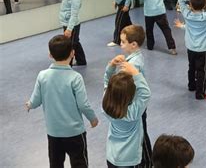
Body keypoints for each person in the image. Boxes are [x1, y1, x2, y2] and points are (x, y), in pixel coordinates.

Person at [26, 35, 98, 167]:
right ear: (72, 53)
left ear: (50, 55)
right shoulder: (75, 78)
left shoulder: (42, 76)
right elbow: (83, 104)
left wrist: (29, 104)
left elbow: (36, 100)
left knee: (55, 163)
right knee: (79, 163)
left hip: (53, 133)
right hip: (75, 133)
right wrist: (93, 118)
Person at [104, 24, 153, 167]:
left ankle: (147, 162)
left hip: (131, 106)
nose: (120, 44)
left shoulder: (134, 64)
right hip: (134, 107)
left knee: (142, 137)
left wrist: (111, 69)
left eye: (123, 42)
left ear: (134, 44)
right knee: (141, 134)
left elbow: (111, 85)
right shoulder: (133, 59)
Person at [103, 62, 151, 168]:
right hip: (130, 160)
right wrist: (135, 72)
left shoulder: (106, 106)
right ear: (131, 95)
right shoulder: (134, 112)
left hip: (112, 156)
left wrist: (110, 67)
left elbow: (107, 84)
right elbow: (145, 93)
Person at [178, 0, 206, 99]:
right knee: (202, 71)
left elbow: (181, 0)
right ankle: (200, 93)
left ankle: (191, 86)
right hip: (203, 48)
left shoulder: (187, 14)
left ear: (190, 4)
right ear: (205, 5)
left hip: (190, 47)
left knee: (191, 67)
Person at [53, 0, 87, 66]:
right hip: (67, 24)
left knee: (70, 45)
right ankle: (81, 61)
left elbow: (74, 15)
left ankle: (68, 64)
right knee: (75, 42)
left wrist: (69, 29)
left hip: (72, 25)